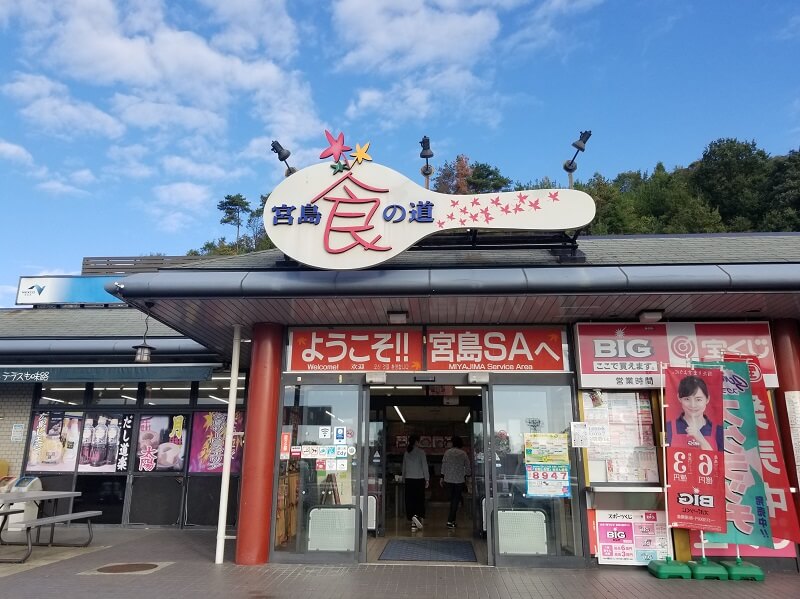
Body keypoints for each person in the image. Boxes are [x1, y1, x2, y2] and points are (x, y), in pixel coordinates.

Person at [666, 375, 724, 451]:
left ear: (707, 399)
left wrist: (700, 439)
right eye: (687, 399)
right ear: (679, 398)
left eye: (698, 399)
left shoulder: (718, 431)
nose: (693, 405)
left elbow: (718, 460)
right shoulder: (668, 427)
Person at [440, 435, 471, 528]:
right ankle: (450, 520)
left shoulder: (447, 453)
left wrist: (442, 477)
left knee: (452, 500)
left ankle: (451, 520)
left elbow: (443, 466)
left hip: (448, 480)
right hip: (459, 480)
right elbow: (468, 468)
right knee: (455, 500)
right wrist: (467, 476)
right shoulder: (463, 454)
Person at [402, 434, 429, 531]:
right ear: (416, 442)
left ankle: (413, 523)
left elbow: (404, 467)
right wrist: (427, 479)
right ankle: (416, 516)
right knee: (419, 500)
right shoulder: (421, 452)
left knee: (410, 500)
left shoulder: (406, 452)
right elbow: (425, 466)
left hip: (409, 479)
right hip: (419, 479)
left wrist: (403, 478)